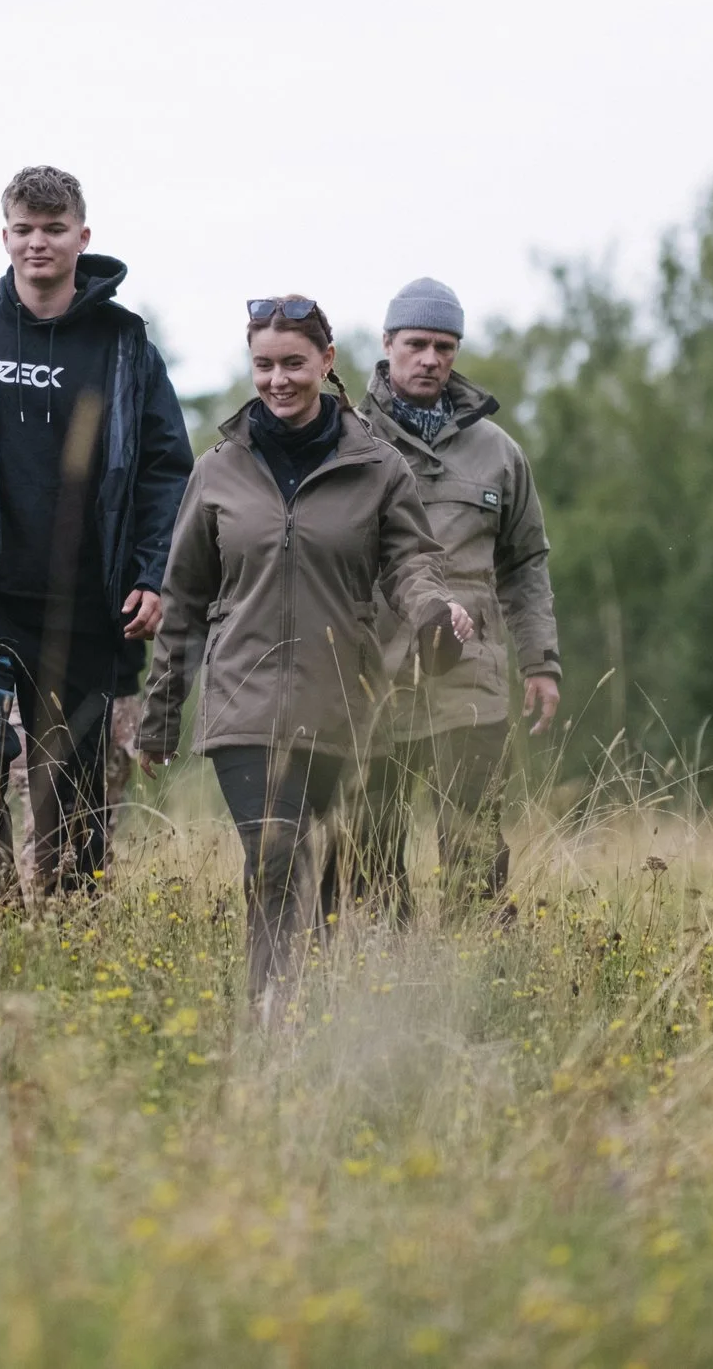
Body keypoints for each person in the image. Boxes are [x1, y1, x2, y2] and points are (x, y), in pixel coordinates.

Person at [136, 297, 467, 1017]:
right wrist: (159, 715)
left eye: (293, 363)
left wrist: (433, 611)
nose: (278, 380)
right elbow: (183, 598)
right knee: (277, 856)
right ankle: (272, 1017)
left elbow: (412, 563)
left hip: (341, 706)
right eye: (264, 365)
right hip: (244, 709)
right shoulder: (218, 471)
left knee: (338, 876)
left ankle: (332, 1020)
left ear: (326, 362)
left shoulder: (376, 467)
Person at [0, 165, 193, 893]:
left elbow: (167, 471)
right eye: (25, 229)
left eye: (54, 229)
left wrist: (152, 572)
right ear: (5, 236)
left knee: (76, 790)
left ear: (83, 237)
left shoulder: (125, 345)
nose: (38, 242)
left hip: (88, 607)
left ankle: (71, 929)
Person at [345, 277, 562, 927]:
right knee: (369, 844)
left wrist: (541, 662)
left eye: (444, 347)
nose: (430, 359)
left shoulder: (498, 453)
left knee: (474, 844)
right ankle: (384, 967)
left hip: (470, 678)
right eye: (416, 344)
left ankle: (476, 966)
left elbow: (526, 563)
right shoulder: (347, 441)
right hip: (369, 676)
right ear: (387, 343)